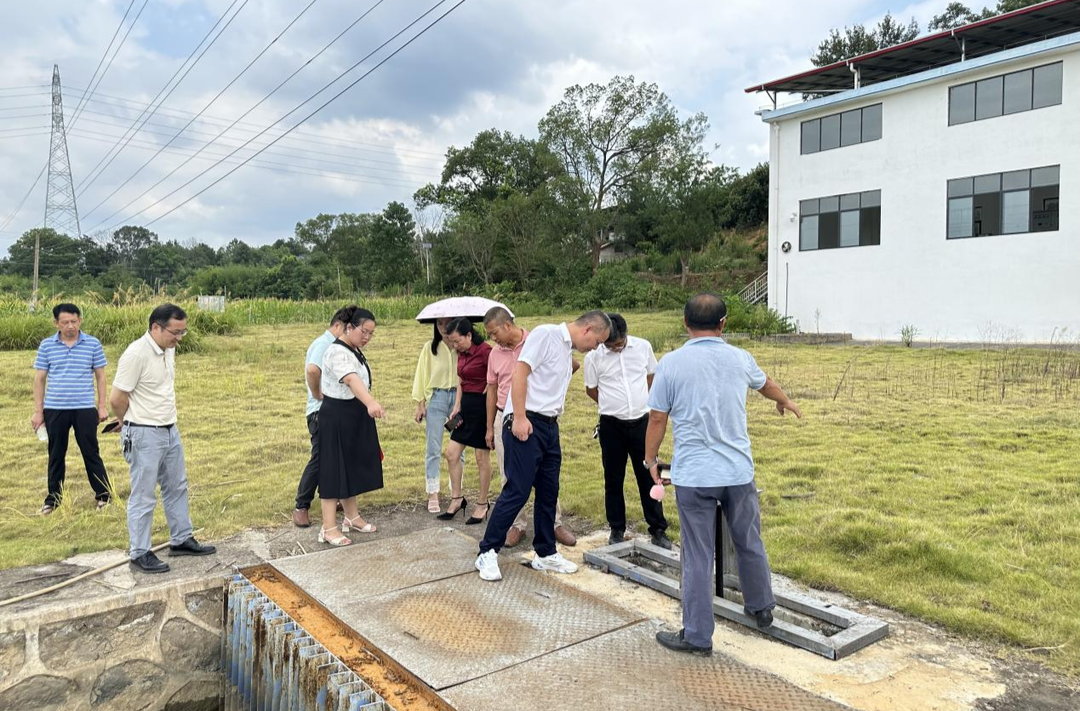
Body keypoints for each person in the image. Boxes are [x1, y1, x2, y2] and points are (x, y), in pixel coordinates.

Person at [645, 293, 801, 656]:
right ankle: (761, 608)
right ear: (723, 323)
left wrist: (650, 458)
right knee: (749, 539)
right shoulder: (740, 357)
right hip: (737, 471)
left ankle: (697, 636)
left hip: (695, 474)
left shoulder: (671, 363)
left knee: (699, 554)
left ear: (685, 324)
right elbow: (766, 383)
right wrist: (785, 400)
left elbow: (657, 417)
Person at [475, 311, 611, 582]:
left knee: (549, 490)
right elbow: (520, 373)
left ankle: (545, 552)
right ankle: (487, 551)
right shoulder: (546, 334)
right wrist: (521, 417)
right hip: (526, 422)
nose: (595, 348)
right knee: (518, 490)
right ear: (588, 329)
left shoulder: (564, 349)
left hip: (549, 425)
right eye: (597, 342)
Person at [110, 304, 216, 574]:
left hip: (169, 429)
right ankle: (140, 552)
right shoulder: (136, 354)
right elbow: (117, 397)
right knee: (144, 494)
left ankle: (181, 538)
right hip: (144, 432)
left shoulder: (168, 349)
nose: (179, 338)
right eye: (175, 332)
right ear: (156, 327)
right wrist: (126, 422)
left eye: (183, 332)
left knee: (177, 485)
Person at [483, 307, 576, 548]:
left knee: (547, 480)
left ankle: (554, 525)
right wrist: (490, 427)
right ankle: (516, 525)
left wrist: (551, 389)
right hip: (507, 415)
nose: (493, 338)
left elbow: (571, 364)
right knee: (511, 479)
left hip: (536, 417)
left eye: (494, 332)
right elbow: (491, 389)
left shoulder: (539, 339)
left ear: (507, 325)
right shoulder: (495, 354)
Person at [583, 313, 669, 549]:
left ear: (625, 336)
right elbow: (591, 389)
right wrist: (612, 404)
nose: (616, 348)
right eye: (611, 345)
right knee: (613, 478)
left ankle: (658, 528)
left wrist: (641, 402)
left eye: (619, 344)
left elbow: (652, 375)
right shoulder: (594, 356)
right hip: (612, 425)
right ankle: (617, 528)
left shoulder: (643, 347)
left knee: (649, 475)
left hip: (642, 422)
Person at [31, 303, 113, 515]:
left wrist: (102, 405)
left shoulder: (92, 344)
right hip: (55, 408)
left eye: (74, 321)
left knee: (90, 451)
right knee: (56, 453)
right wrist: (38, 411)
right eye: (65, 322)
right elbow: (40, 379)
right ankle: (53, 499)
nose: (70, 326)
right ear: (56, 323)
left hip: (84, 407)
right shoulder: (47, 346)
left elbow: (101, 376)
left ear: (80, 321)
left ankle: (103, 495)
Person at [316, 306, 385, 546]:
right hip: (337, 415)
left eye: (371, 334)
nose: (366, 337)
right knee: (333, 470)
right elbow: (351, 379)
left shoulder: (354, 350)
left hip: (355, 413)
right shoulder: (336, 352)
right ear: (349, 327)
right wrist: (370, 402)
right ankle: (328, 527)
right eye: (364, 331)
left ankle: (352, 517)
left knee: (351, 466)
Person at [293, 306, 351, 528]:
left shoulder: (335, 345)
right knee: (320, 458)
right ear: (338, 325)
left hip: (333, 409)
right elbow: (312, 370)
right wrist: (318, 395)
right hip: (320, 411)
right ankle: (301, 506)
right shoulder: (324, 344)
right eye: (346, 329)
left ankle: (332, 496)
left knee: (335, 457)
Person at [439, 318, 493, 524]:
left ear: (469, 335)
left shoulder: (486, 351)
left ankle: (482, 504)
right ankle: (457, 498)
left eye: (456, 341)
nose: (454, 346)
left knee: (481, 458)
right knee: (451, 453)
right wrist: (456, 406)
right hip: (465, 407)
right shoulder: (461, 354)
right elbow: (461, 380)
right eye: (451, 342)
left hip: (482, 407)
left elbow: (495, 379)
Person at [412, 318, 459, 513]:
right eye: (440, 324)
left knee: (457, 448)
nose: (444, 329)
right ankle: (433, 492)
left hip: (458, 399)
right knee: (433, 447)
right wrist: (420, 404)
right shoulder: (430, 348)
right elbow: (421, 375)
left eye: (447, 324)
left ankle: (456, 491)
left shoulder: (461, 346)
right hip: (437, 398)